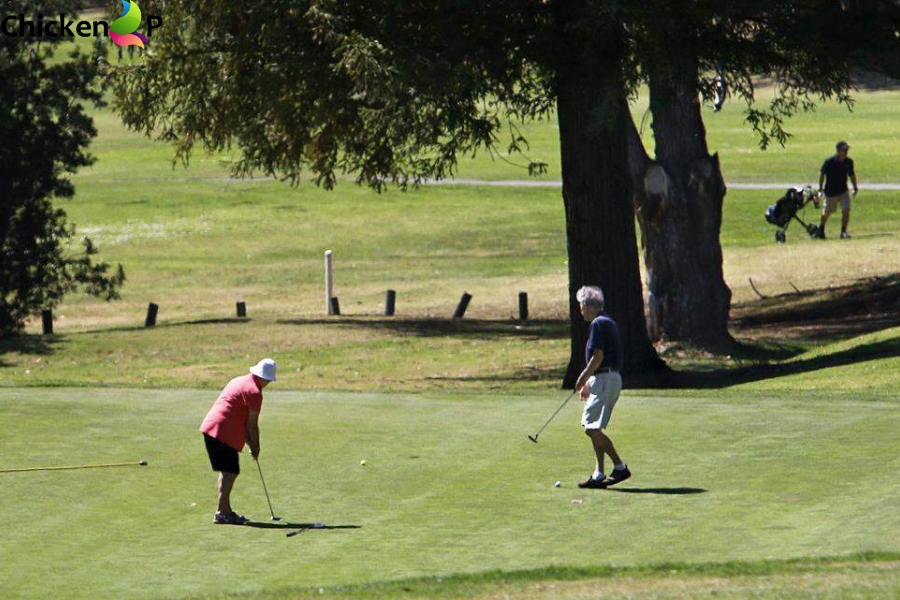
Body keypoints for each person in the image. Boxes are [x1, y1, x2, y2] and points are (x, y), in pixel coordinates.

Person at [199, 358, 276, 524]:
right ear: (265, 378)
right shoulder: (255, 392)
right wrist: (256, 446)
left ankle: (225, 511)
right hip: (223, 429)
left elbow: (241, 416)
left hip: (212, 426)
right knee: (230, 471)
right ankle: (222, 512)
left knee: (229, 471)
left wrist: (250, 443)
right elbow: (252, 425)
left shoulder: (238, 380)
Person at [573, 286, 631, 489]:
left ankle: (620, 466)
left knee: (590, 428)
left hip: (606, 379)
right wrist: (590, 383)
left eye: (581, 306)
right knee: (593, 427)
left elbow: (598, 357)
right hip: (604, 378)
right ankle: (598, 474)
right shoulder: (606, 321)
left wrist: (582, 378)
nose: (580, 310)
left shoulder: (599, 323)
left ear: (587, 305)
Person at [817, 141, 858, 239]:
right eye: (844, 150)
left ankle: (843, 232)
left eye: (847, 150)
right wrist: (820, 189)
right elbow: (822, 174)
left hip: (843, 191)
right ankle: (821, 229)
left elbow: (851, 175)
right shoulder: (829, 161)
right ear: (838, 151)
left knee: (846, 210)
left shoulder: (849, 162)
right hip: (831, 192)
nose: (846, 151)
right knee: (827, 213)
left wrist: (855, 187)